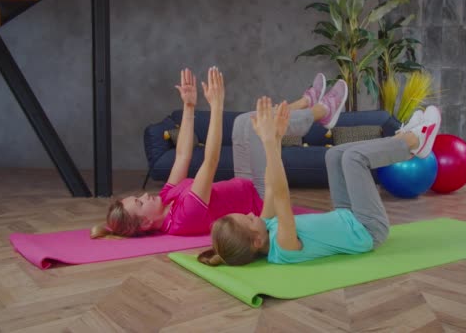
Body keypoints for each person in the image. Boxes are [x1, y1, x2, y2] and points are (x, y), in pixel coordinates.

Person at [91, 69, 348, 238]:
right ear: (145, 223)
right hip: (259, 200)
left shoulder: (166, 199)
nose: (144, 195)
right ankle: (321, 112)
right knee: (248, 124)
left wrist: (189, 106)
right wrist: (217, 105)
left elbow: (182, 157)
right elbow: (210, 161)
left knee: (243, 123)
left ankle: (306, 104)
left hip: (244, 182)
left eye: (137, 197)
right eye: (139, 202)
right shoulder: (183, 217)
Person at [198, 97, 441, 266]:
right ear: (257, 240)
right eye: (249, 219)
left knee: (334, 155)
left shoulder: (265, 227)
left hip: (346, 215)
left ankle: (401, 139)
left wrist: (276, 138)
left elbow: (272, 186)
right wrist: (268, 142)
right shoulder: (283, 247)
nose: (253, 213)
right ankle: (413, 141)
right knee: (354, 159)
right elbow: (282, 195)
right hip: (368, 230)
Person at [232, 73, 347, 197]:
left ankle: (302, 104)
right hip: (256, 204)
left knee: (241, 121)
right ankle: (322, 111)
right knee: (254, 125)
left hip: (239, 195)